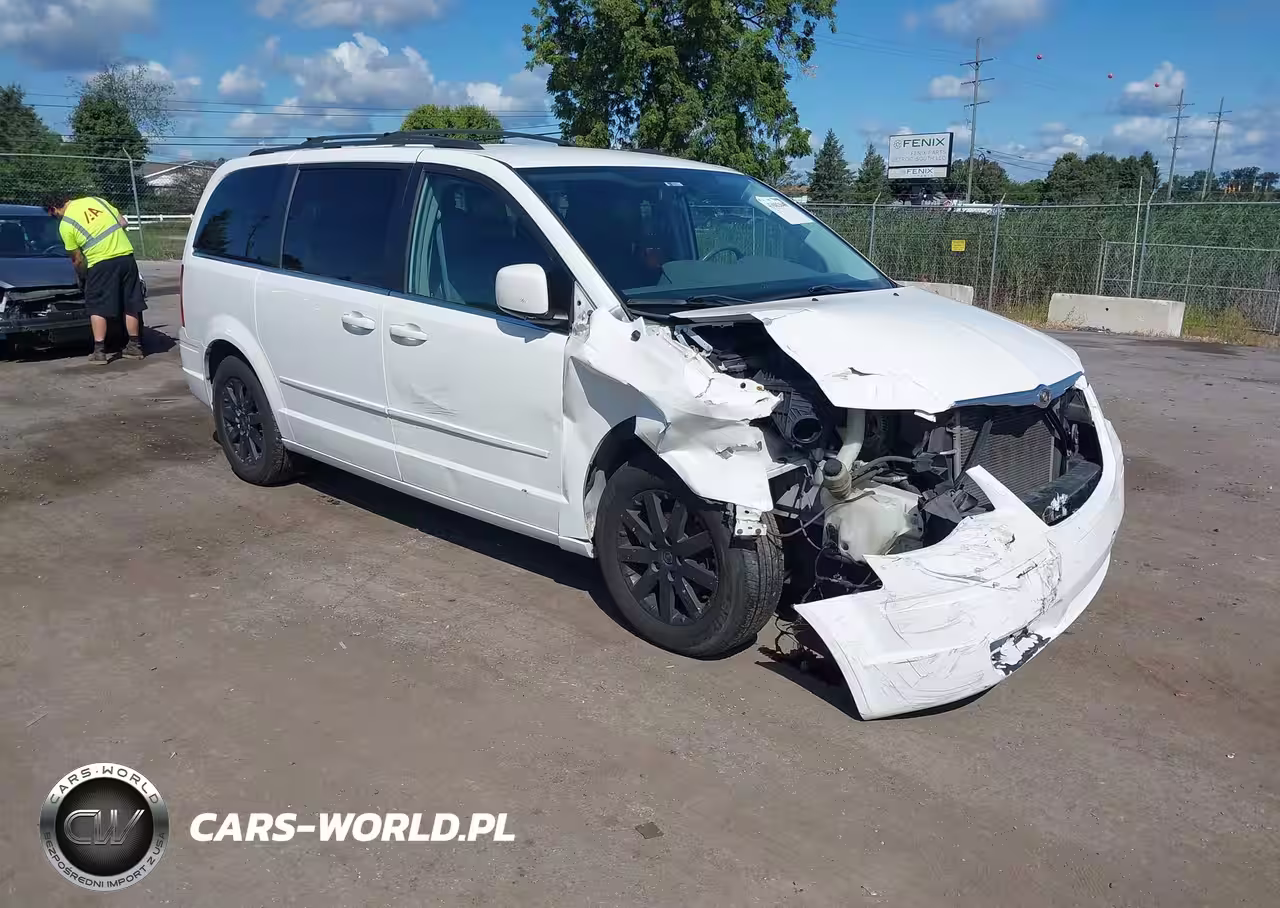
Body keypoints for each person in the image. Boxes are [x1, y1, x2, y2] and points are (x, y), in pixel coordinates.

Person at [44, 192, 146, 364]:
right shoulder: (96, 201)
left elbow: (77, 258)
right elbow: (123, 222)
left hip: (101, 263)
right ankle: (134, 347)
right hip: (126, 258)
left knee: (97, 307)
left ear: (54, 208)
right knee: (131, 303)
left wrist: (83, 277)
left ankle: (99, 352)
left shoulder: (66, 225)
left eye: (52, 214)